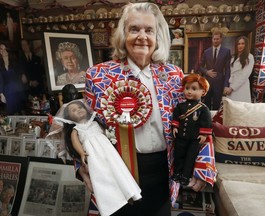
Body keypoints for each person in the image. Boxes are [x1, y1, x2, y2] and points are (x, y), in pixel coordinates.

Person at [72, 3, 215, 216]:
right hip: (115, 172)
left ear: (158, 37)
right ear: (123, 34)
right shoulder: (98, 75)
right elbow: (84, 125)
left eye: (149, 30)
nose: (142, 36)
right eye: (134, 29)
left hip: (162, 170)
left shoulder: (174, 76)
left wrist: (204, 165)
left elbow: (197, 120)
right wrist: (79, 165)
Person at [54, 100, 142, 216]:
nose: (78, 110)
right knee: (102, 177)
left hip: (109, 152)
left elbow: (107, 132)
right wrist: (81, 153)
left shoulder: (96, 123)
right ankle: (110, 201)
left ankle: (128, 192)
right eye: (73, 111)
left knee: (118, 171)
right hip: (94, 156)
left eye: (80, 108)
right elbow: (75, 142)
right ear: (69, 117)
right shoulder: (76, 130)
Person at [171, 74, 212, 186]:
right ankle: (177, 173)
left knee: (190, 158)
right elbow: (176, 117)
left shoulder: (203, 108)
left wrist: (203, 134)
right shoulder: (180, 106)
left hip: (194, 139)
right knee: (178, 155)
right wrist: (175, 127)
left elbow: (206, 122)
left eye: (194, 89)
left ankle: (185, 176)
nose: (189, 91)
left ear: (203, 92)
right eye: (187, 88)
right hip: (180, 137)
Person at [198, 30, 231, 110]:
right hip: (208, 82)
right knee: (206, 105)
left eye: (217, 39)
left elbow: (227, 70)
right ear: (212, 39)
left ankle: (215, 122)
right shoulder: (206, 52)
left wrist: (226, 85)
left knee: (217, 105)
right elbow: (200, 67)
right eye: (214, 39)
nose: (215, 40)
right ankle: (207, 121)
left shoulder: (226, 51)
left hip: (219, 82)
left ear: (221, 39)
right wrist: (207, 72)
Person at [223, 36, 255, 102]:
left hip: (241, 87)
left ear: (246, 45)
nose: (240, 45)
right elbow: (229, 73)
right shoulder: (233, 57)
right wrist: (226, 86)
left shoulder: (249, 57)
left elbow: (245, 75)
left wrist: (232, 88)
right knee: (231, 108)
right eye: (238, 44)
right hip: (231, 85)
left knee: (241, 108)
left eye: (243, 43)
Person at [0, 43, 26, 114]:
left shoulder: (15, 61)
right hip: (7, 92)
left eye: (5, 49)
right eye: (1, 49)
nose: (3, 51)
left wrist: (23, 75)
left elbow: (21, 75)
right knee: (9, 112)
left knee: (20, 112)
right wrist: (1, 93)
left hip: (18, 90)